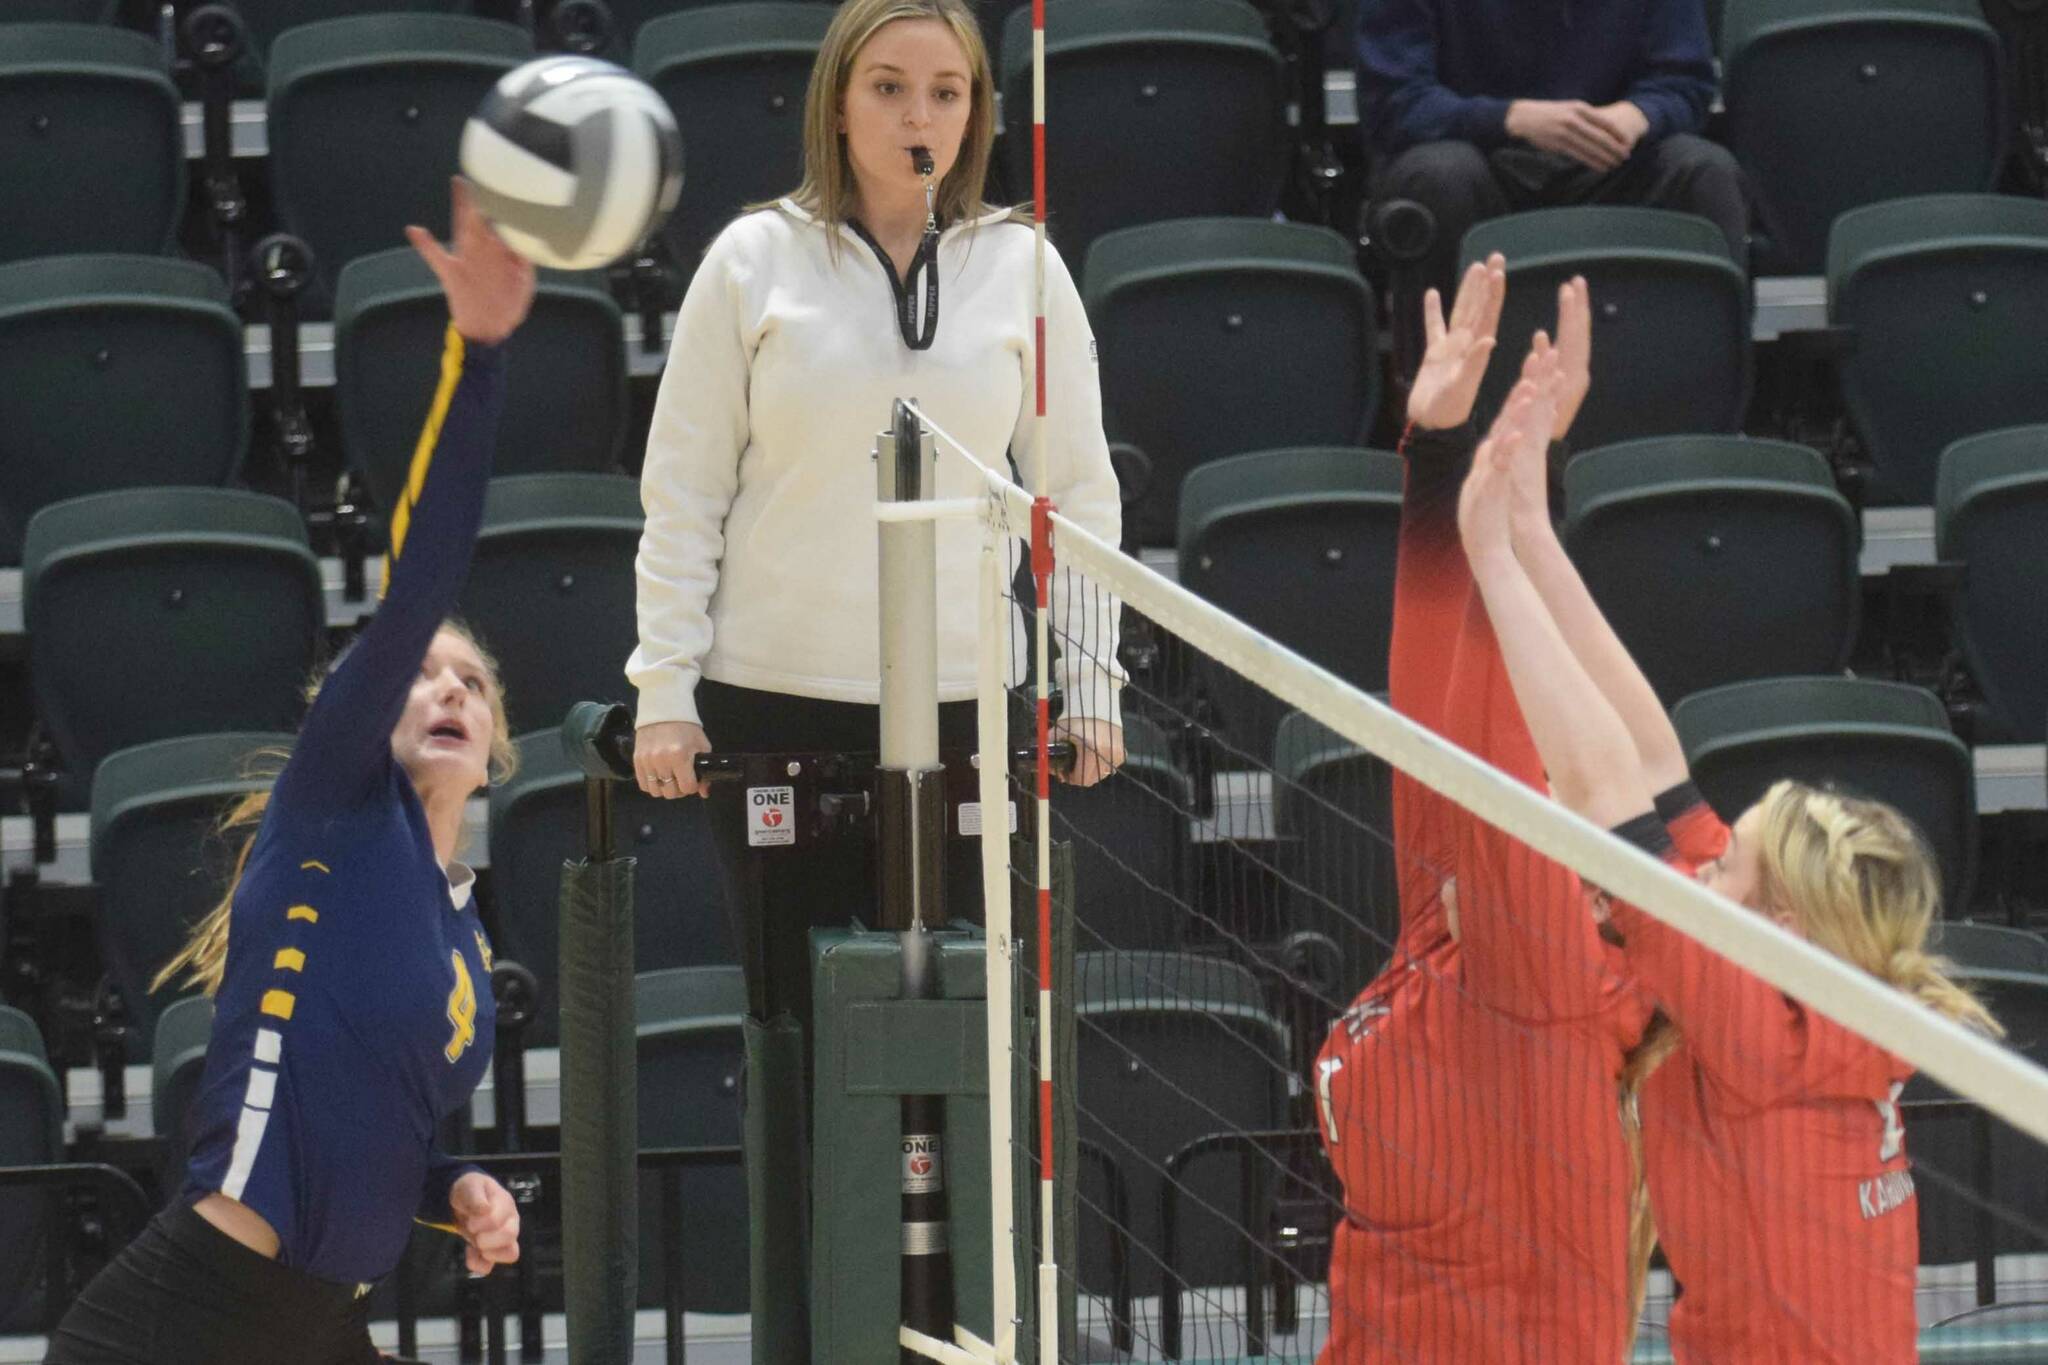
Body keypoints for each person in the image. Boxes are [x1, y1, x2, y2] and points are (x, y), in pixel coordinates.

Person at [625, 0, 1122, 1354]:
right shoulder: (751, 262)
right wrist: (663, 686)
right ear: (838, 100)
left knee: (976, 1048)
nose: (921, 118)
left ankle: (981, 1329)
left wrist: (1091, 682)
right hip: (776, 711)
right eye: (893, 88)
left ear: (979, 113)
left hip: (973, 711)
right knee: (800, 1044)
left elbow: (1073, 488)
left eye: (949, 92)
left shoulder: (1022, 266)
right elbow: (682, 494)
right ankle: (815, 1329)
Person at [44, 182, 533, 1365]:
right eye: (423, 675)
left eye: (471, 682)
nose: (449, 690)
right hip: (192, 1315)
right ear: (361, 712)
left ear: (499, 744)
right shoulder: (334, 812)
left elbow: (395, 1138)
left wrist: (462, 1189)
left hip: (317, 1323)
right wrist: (478, 358)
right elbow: (420, 573)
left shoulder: (460, 936)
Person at [1454, 342, 2004, 1362]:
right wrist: (1529, 531)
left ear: (1777, 925)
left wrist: (1484, 558)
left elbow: (1600, 799)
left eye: (1723, 870)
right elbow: (1655, 764)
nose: (1699, 868)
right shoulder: (1819, 988)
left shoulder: (1764, 1033)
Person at [1315, 264, 1715, 1361]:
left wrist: (1490, 527)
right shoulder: (1486, 937)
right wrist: (1447, 463)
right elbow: (1444, 727)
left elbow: (1483, 748)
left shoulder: (1534, 981)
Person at [1357, 0, 1747, 363]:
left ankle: (1707, 410)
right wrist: (1512, 119)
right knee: (1440, 176)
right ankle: (1442, 422)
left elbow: (1685, 80)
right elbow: (1393, 102)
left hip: (1606, 160)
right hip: (1479, 156)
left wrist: (1638, 115)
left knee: (1705, 173)